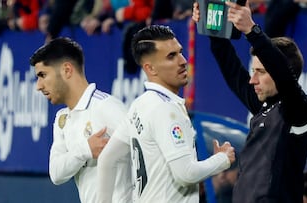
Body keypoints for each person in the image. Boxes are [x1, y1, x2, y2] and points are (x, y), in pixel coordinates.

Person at [192, 1, 307, 202]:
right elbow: (230, 66)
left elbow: (283, 76)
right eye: (254, 71)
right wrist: (212, 24)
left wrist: (252, 31)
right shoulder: (264, 106)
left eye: (260, 72)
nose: (252, 80)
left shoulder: (300, 111)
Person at [95, 24, 235, 202]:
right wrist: (222, 159)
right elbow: (185, 174)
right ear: (150, 69)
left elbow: (107, 158)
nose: (183, 61)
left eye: (180, 52)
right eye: (171, 56)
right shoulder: (165, 110)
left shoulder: (140, 104)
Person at [29, 37, 132, 203]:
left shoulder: (107, 107)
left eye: (43, 75)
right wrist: (86, 149)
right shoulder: (62, 118)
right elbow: (56, 173)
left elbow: (144, 154)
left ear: (67, 70)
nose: (38, 86)